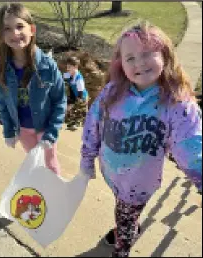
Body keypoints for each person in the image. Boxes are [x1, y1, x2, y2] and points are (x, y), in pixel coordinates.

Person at [80, 21, 202, 257]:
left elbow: (191, 146)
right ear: (120, 63)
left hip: (139, 184)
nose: (140, 63)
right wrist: (87, 159)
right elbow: (92, 125)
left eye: (147, 53)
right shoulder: (112, 91)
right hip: (112, 174)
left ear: (165, 55)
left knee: (125, 212)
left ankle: (122, 248)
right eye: (130, 57)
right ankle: (128, 227)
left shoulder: (177, 104)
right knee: (123, 210)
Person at [0, 3, 67, 175]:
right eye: (7, 29)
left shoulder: (48, 66)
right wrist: (9, 131)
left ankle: (54, 194)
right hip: (23, 129)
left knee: (50, 164)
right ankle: (39, 195)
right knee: (34, 164)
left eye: (20, 26)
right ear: (1, 34)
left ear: (32, 29)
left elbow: (59, 100)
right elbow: (2, 102)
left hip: (45, 128)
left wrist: (52, 132)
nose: (15, 33)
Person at [63, 56, 89, 129]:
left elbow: (80, 94)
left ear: (76, 67)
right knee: (66, 108)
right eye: (67, 67)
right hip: (75, 96)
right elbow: (61, 77)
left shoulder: (78, 79)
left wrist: (74, 104)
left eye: (70, 67)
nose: (67, 69)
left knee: (79, 113)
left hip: (82, 98)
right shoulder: (69, 74)